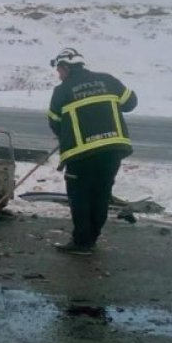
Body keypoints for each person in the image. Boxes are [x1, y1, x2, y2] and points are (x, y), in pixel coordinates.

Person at [46, 48, 137, 256]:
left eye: (59, 70)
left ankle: (81, 243)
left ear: (65, 68)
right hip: (112, 151)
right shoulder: (108, 80)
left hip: (81, 155)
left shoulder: (61, 91)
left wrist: (67, 135)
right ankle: (91, 239)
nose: (59, 75)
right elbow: (131, 103)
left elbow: (55, 123)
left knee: (80, 197)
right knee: (101, 194)